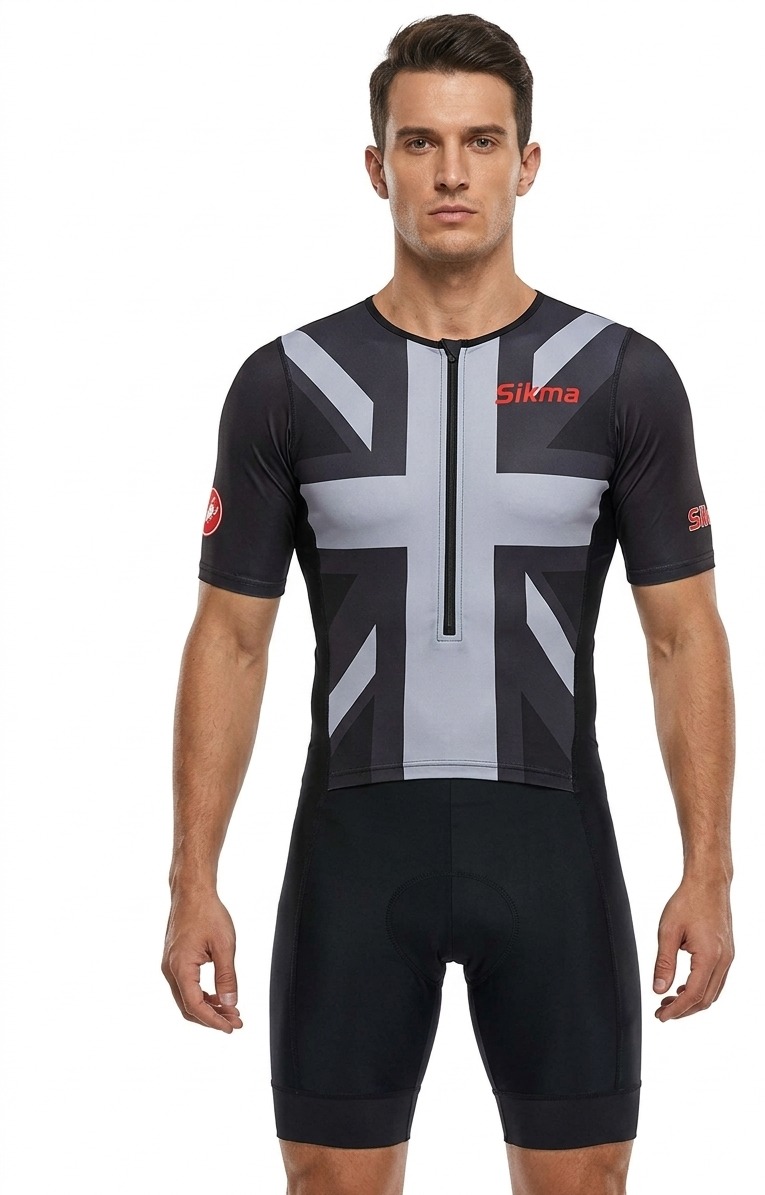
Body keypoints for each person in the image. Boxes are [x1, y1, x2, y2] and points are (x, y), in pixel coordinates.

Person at [161, 13, 735, 1195]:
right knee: (328, 1182)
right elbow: (230, 639)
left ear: (528, 163)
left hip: (553, 850)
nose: (451, 173)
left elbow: (681, 635)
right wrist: (190, 878)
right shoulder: (288, 383)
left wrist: (709, 870)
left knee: (583, 1183)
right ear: (377, 166)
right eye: (420, 144)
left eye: (481, 142)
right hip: (352, 855)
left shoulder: (618, 376)